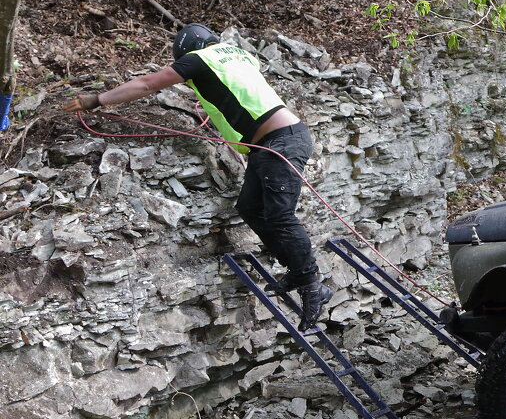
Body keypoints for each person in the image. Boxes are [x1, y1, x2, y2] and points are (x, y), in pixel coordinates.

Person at [63, 24, 333, 329]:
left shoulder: (199, 58)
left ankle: (312, 285)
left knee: (280, 215)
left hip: (280, 142)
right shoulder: (237, 55)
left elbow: (147, 84)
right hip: (272, 142)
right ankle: (297, 272)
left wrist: (97, 100)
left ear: (188, 50)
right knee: (251, 207)